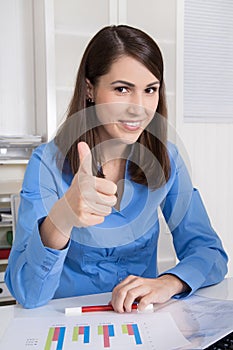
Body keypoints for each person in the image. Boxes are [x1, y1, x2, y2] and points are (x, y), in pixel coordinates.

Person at [5, 25, 228, 310]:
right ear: (90, 89)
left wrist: (168, 282)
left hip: (141, 321)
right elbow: (27, 293)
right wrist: (63, 216)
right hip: (68, 321)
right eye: (122, 89)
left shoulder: (167, 159)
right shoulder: (46, 163)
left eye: (150, 90)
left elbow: (209, 252)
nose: (139, 108)